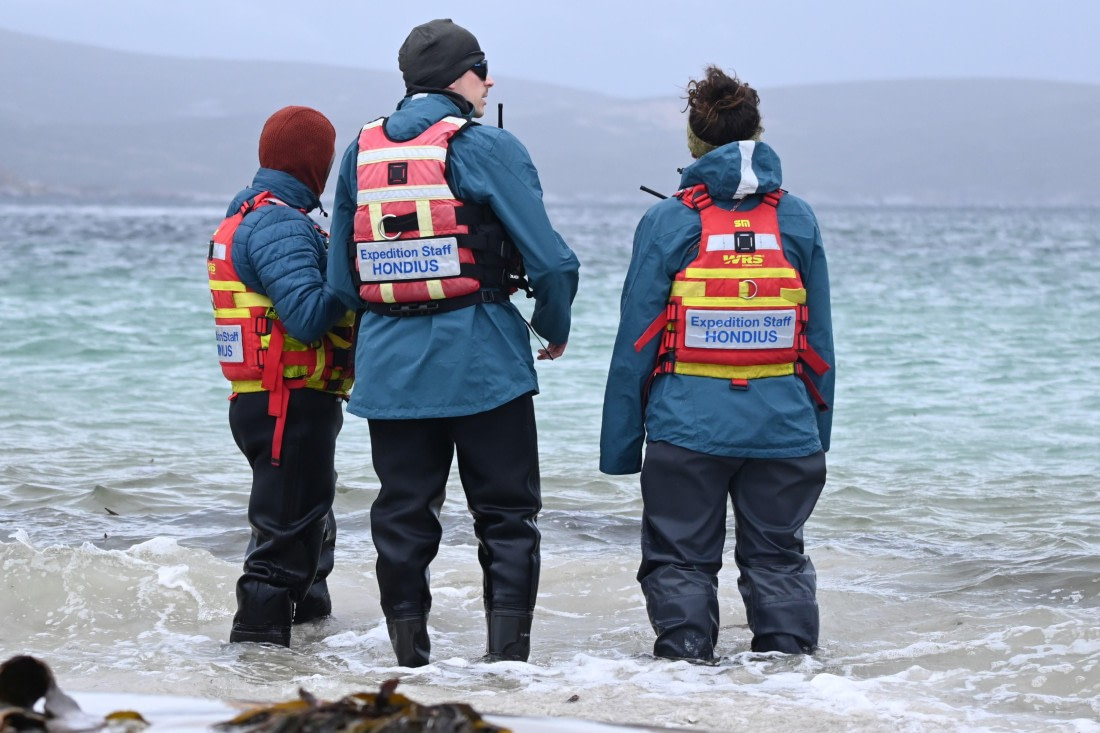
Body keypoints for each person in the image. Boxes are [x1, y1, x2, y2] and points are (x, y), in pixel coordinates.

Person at [327, 19, 579, 667]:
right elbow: (552, 264)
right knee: (507, 516)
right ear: (457, 78)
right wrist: (552, 328)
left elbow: (342, 280)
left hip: (389, 374)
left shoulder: (360, 152)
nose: (488, 80)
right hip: (485, 364)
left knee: (403, 520)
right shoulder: (489, 146)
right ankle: (507, 668)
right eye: (481, 68)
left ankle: (410, 664)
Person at [600, 67, 835, 662]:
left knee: (680, 559)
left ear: (693, 144)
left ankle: (684, 674)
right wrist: (816, 434)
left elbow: (636, 343)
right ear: (757, 133)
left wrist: (622, 448)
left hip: (686, 428)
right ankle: (790, 681)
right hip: (785, 428)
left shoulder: (669, 220)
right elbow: (820, 340)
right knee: (779, 557)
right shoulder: (798, 218)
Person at [208, 105, 357, 647]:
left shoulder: (258, 212)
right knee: (284, 539)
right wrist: (351, 270)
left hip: (278, 401)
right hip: (285, 403)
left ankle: (310, 643)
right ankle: (256, 655)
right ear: (314, 161)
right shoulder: (278, 223)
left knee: (308, 528)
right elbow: (309, 317)